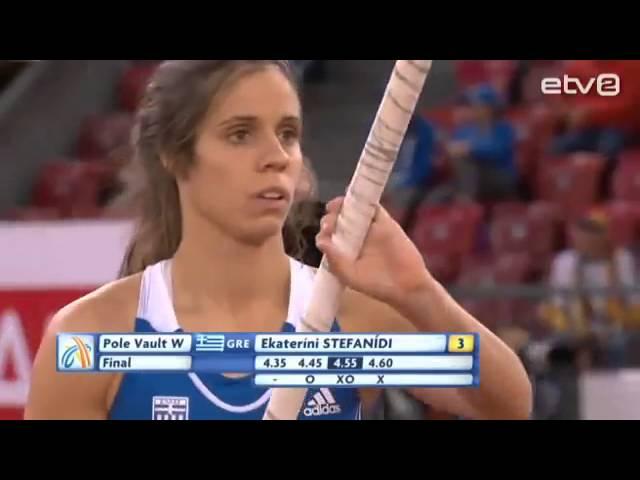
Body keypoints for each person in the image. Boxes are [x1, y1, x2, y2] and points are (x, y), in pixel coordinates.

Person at [25, 60, 532, 420]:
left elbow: (508, 405)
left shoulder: (353, 320)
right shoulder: (89, 341)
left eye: (287, 133)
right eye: (240, 133)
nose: (277, 156)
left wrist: (419, 291)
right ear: (175, 157)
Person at [542, 209, 640, 367]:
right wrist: (575, 329)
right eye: (583, 232)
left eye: (593, 232)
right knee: (557, 347)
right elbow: (557, 306)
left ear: (605, 236)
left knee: (620, 344)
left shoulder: (621, 260)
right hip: (576, 328)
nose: (586, 237)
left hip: (614, 327)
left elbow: (633, 305)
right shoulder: (564, 262)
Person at [429, 84, 518, 204]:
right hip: (470, 179)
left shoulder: (503, 128)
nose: (476, 108)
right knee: (436, 197)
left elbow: (498, 151)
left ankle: (466, 200)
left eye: (480, 105)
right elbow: (453, 148)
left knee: (464, 160)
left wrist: (470, 149)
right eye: (474, 105)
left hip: (499, 176)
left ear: (490, 108)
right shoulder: (467, 129)